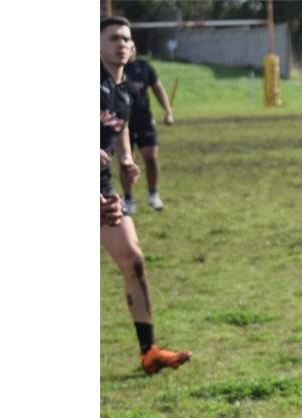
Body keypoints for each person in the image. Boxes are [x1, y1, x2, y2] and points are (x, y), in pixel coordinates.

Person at [100, 17, 190, 375]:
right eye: (112, 38)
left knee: (133, 260)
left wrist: (125, 157)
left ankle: (149, 352)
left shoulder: (125, 91)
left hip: (103, 189)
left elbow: (118, 126)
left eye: (126, 38)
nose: (121, 44)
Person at [120, 44, 174, 214]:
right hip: (122, 121)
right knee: (126, 161)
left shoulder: (144, 67)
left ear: (134, 49)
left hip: (144, 120)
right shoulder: (113, 68)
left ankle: (153, 194)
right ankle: (128, 199)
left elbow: (158, 88)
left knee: (151, 157)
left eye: (130, 46)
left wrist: (168, 111)